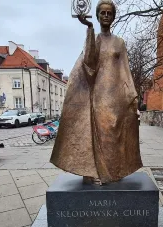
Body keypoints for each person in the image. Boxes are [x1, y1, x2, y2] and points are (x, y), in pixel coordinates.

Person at [50, 0, 142, 185]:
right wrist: (89, 28)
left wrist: (132, 97)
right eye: (103, 13)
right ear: (98, 16)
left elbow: (125, 70)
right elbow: (89, 63)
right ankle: (98, 172)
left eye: (109, 13)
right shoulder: (95, 39)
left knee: (116, 134)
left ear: (113, 17)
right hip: (98, 94)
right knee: (101, 133)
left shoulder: (119, 42)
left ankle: (114, 171)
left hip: (117, 96)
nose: (106, 16)